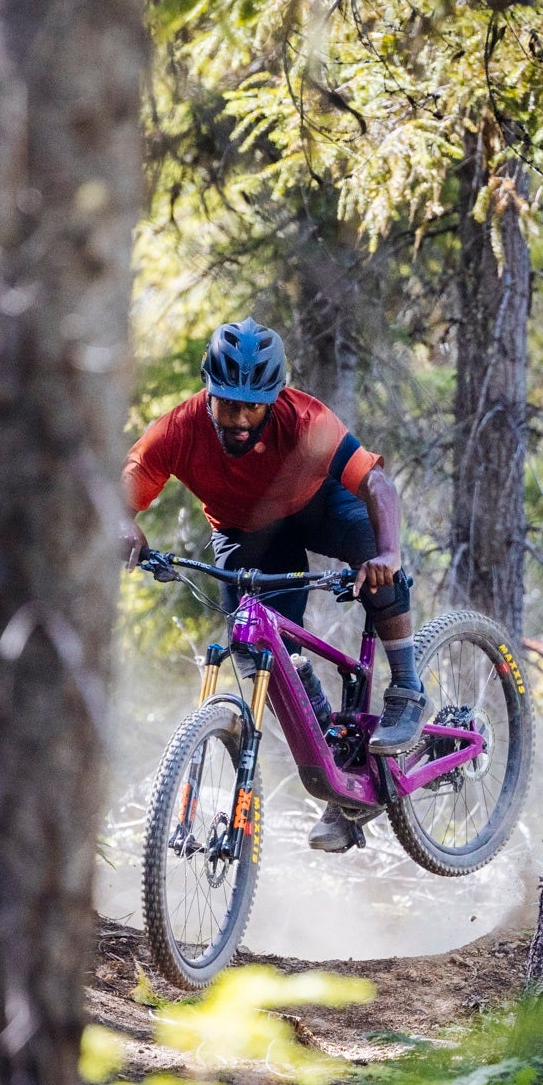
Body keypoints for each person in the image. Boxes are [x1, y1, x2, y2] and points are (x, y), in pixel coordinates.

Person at [121, 317, 423, 853]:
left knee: (373, 556)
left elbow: (376, 482)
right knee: (255, 648)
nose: (240, 420)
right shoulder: (179, 429)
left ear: (274, 398)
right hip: (244, 532)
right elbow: (126, 485)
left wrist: (388, 554)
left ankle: (406, 686)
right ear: (208, 392)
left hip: (318, 506)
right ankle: (341, 766)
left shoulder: (305, 419)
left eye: (253, 407)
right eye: (228, 405)